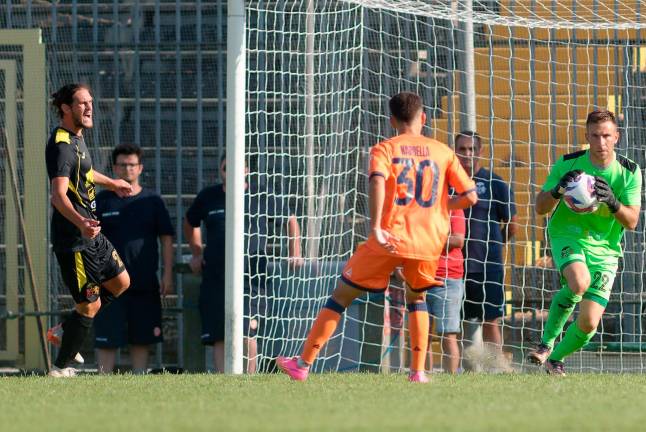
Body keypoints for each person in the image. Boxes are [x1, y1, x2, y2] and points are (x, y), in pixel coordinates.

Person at [276, 92, 478, 383]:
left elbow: (377, 181)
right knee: (416, 299)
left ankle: (302, 365)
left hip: (389, 237)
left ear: (392, 121)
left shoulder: (384, 149)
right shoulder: (443, 151)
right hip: (427, 242)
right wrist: (442, 205)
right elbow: (470, 196)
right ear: (423, 118)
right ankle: (418, 372)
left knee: (341, 297)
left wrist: (375, 227)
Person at [528, 109, 642, 376]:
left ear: (616, 137)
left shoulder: (629, 172)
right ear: (587, 136)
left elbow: (632, 221)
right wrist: (557, 190)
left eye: (606, 136)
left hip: (606, 249)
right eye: (595, 136)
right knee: (579, 282)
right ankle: (545, 343)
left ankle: (556, 359)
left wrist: (613, 202)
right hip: (568, 234)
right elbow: (540, 207)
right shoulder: (568, 163)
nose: (600, 142)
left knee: (589, 322)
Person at [184, 155, 303, 373]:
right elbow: (190, 222)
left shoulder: (261, 195)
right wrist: (197, 252)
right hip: (216, 276)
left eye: (236, 167)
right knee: (219, 334)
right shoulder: (208, 197)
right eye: (226, 167)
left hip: (252, 276)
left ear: (246, 170)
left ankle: (248, 380)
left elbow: (290, 220)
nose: (230, 171)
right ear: (220, 171)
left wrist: (294, 252)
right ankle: (224, 381)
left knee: (248, 331)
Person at [45, 83, 133, 377]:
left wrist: (113, 183)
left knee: (121, 283)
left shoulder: (76, 139)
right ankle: (59, 369)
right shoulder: (61, 146)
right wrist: (81, 223)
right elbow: (57, 195)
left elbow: (84, 172)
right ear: (66, 109)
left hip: (92, 234)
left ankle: (64, 329)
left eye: (90, 102)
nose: (89, 107)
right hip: (75, 241)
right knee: (88, 305)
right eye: (82, 103)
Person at [92, 144, 174, 374]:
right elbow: (89, 239)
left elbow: (166, 238)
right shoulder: (102, 200)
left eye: (132, 165)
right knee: (106, 340)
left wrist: (167, 274)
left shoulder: (153, 201)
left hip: (144, 282)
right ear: (115, 168)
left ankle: (139, 383)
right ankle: (101, 383)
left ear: (140, 168)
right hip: (109, 283)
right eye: (122, 164)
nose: (127, 169)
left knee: (141, 340)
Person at [454, 131, 516, 357]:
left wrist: (493, 244)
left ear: (480, 152)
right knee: (454, 324)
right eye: (462, 149)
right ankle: (460, 370)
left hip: (489, 266)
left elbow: (512, 224)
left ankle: (495, 369)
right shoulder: (447, 183)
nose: (467, 154)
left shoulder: (495, 184)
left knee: (491, 320)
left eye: (471, 149)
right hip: (455, 267)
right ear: (455, 151)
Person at [425, 208, 465, 373]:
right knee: (421, 335)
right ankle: (420, 375)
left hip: (448, 279)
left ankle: (451, 380)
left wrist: (424, 239)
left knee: (448, 335)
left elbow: (457, 240)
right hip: (419, 276)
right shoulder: (418, 205)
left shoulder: (454, 208)